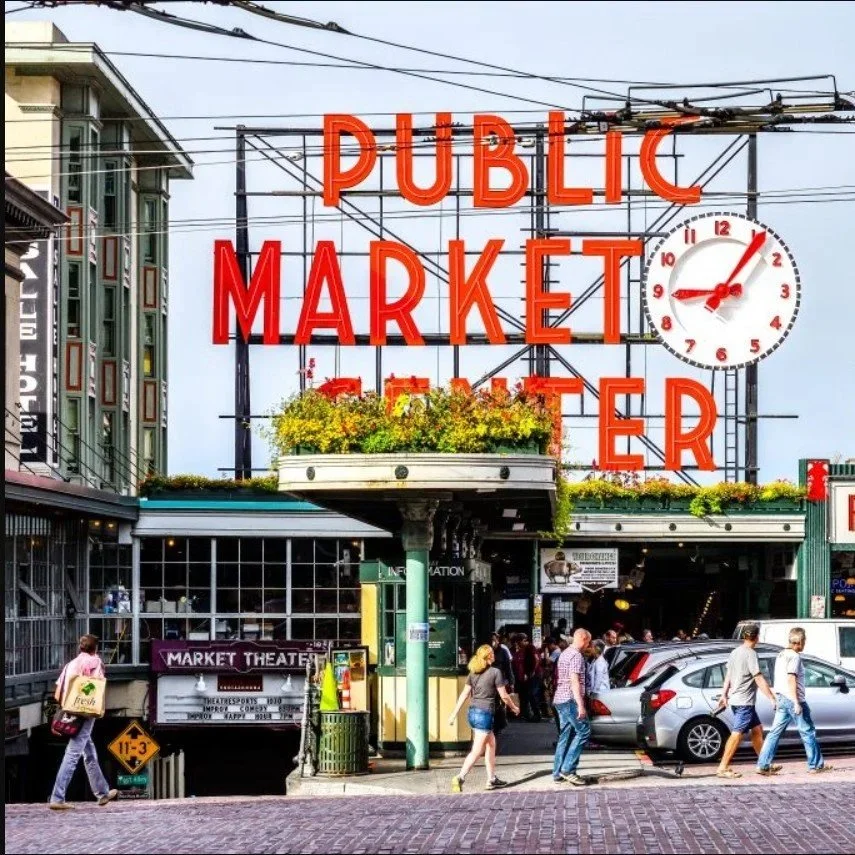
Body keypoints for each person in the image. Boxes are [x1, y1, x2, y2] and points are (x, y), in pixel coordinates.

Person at [49, 635, 117, 810]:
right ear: (96, 648)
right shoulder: (95, 663)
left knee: (89, 752)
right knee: (72, 755)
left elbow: (58, 691)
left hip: (69, 710)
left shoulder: (70, 664)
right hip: (85, 714)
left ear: (80, 648)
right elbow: (97, 688)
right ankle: (57, 797)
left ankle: (102, 793)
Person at [756, 627, 834, 776]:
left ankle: (763, 764)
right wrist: (796, 702)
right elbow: (791, 678)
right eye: (804, 641)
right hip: (793, 699)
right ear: (800, 641)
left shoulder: (781, 654)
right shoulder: (794, 657)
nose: (804, 644)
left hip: (781, 698)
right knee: (807, 732)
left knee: (774, 733)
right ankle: (815, 765)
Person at [448, 643, 521, 793]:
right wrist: (514, 708)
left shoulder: (473, 672)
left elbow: (464, 694)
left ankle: (491, 779)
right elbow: (504, 696)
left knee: (491, 744)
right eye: (492, 654)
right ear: (488, 657)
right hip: (485, 714)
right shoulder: (495, 672)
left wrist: (454, 714)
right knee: (477, 751)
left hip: (473, 713)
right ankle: (460, 777)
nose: (494, 656)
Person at [715, 623, 781, 779]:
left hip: (737, 700)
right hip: (745, 701)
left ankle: (764, 764)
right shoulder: (751, 654)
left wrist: (724, 694)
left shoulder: (735, 652)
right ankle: (722, 767)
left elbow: (728, 676)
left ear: (744, 636)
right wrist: (771, 697)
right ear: (757, 637)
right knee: (737, 734)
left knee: (757, 729)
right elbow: (757, 677)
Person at [552, 628, 593, 786]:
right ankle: (568, 769)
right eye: (588, 641)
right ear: (583, 639)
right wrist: (581, 705)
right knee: (584, 731)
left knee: (566, 735)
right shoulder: (576, 656)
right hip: (570, 699)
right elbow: (574, 681)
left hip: (560, 699)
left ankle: (557, 772)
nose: (588, 645)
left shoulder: (565, 653)